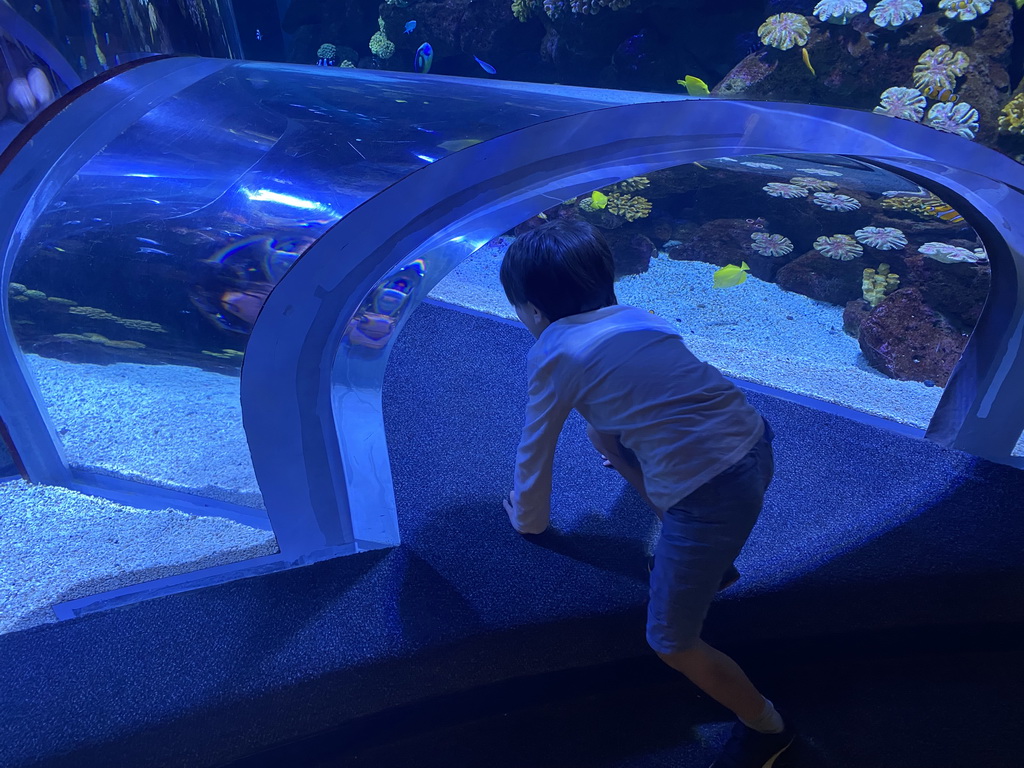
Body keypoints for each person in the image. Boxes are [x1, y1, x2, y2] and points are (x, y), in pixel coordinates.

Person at [498, 218, 794, 768]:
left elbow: (534, 447)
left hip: (710, 494)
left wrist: (530, 521)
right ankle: (711, 565)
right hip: (754, 438)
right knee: (601, 431)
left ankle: (767, 727)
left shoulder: (554, 354)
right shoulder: (643, 318)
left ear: (533, 311)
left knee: (671, 642)